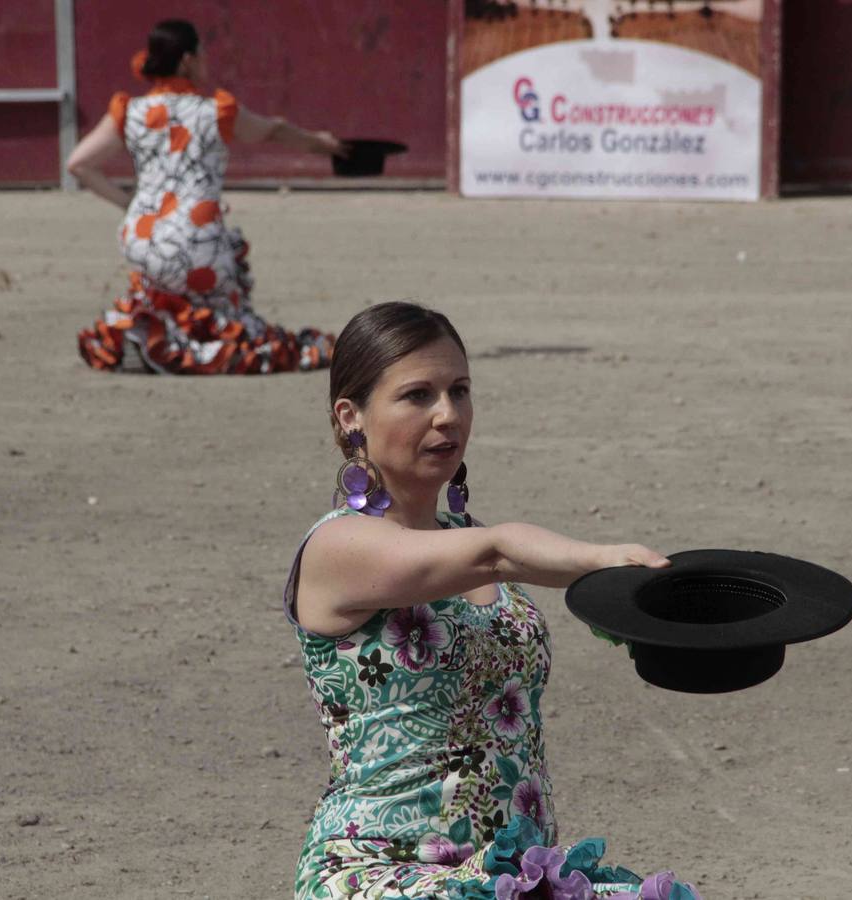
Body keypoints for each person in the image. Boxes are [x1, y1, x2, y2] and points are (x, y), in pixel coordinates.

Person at [284, 301, 700, 899]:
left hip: (514, 874)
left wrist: (642, 610)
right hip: (383, 871)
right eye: (417, 395)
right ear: (351, 417)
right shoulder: (338, 547)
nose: (448, 415)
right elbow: (497, 551)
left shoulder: (464, 538)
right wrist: (602, 557)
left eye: (460, 390)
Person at [67, 19, 343, 375]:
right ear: (186, 61)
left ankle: (148, 336)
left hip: (141, 237)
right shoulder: (215, 110)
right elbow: (272, 130)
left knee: (162, 292)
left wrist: (130, 205)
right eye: (201, 56)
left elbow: (78, 164)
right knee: (236, 328)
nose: (205, 63)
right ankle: (181, 348)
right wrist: (320, 143)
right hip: (198, 241)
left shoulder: (129, 110)